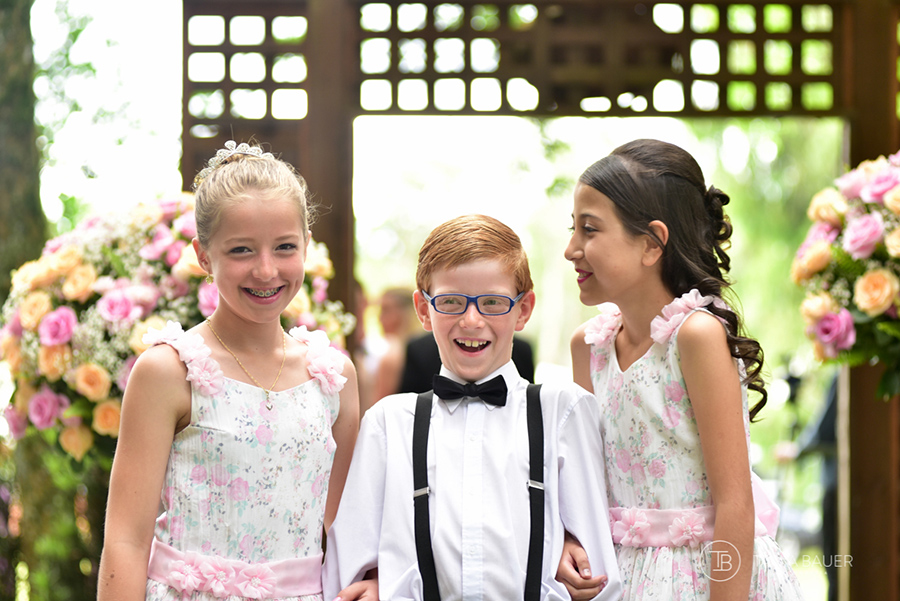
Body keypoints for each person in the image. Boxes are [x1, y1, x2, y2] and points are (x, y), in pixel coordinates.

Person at [98, 140, 360, 601]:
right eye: (241, 250)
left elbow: (346, 531)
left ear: (306, 247)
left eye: (284, 247)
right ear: (203, 255)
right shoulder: (168, 371)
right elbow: (126, 540)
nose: (265, 270)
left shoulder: (332, 376)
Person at [322, 214, 621, 601]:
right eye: (450, 302)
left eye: (494, 302)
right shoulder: (388, 424)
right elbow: (347, 570)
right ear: (424, 310)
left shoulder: (563, 412)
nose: (472, 320)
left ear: (524, 309)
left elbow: (598, 573)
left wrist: (558, 545)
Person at [558, 139, 804, 600]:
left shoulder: (694, 337)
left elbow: (735, 502)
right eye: (572, 229)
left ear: (651, 244)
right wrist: (567, 544)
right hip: (622, 579)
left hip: (707, 577)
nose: (571, 248)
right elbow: (584, 492)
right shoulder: (587, 348)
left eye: (589, 230)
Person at [399, 331, 536, 393]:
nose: (472, 321)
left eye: (491, 302)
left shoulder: (522, 349)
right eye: (452, 301)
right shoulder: (418, 348)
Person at [368, 287, 421, 409]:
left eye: (385, 310)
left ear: (403, 312)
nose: (379, 318)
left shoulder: (393, 354)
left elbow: (379, 406)